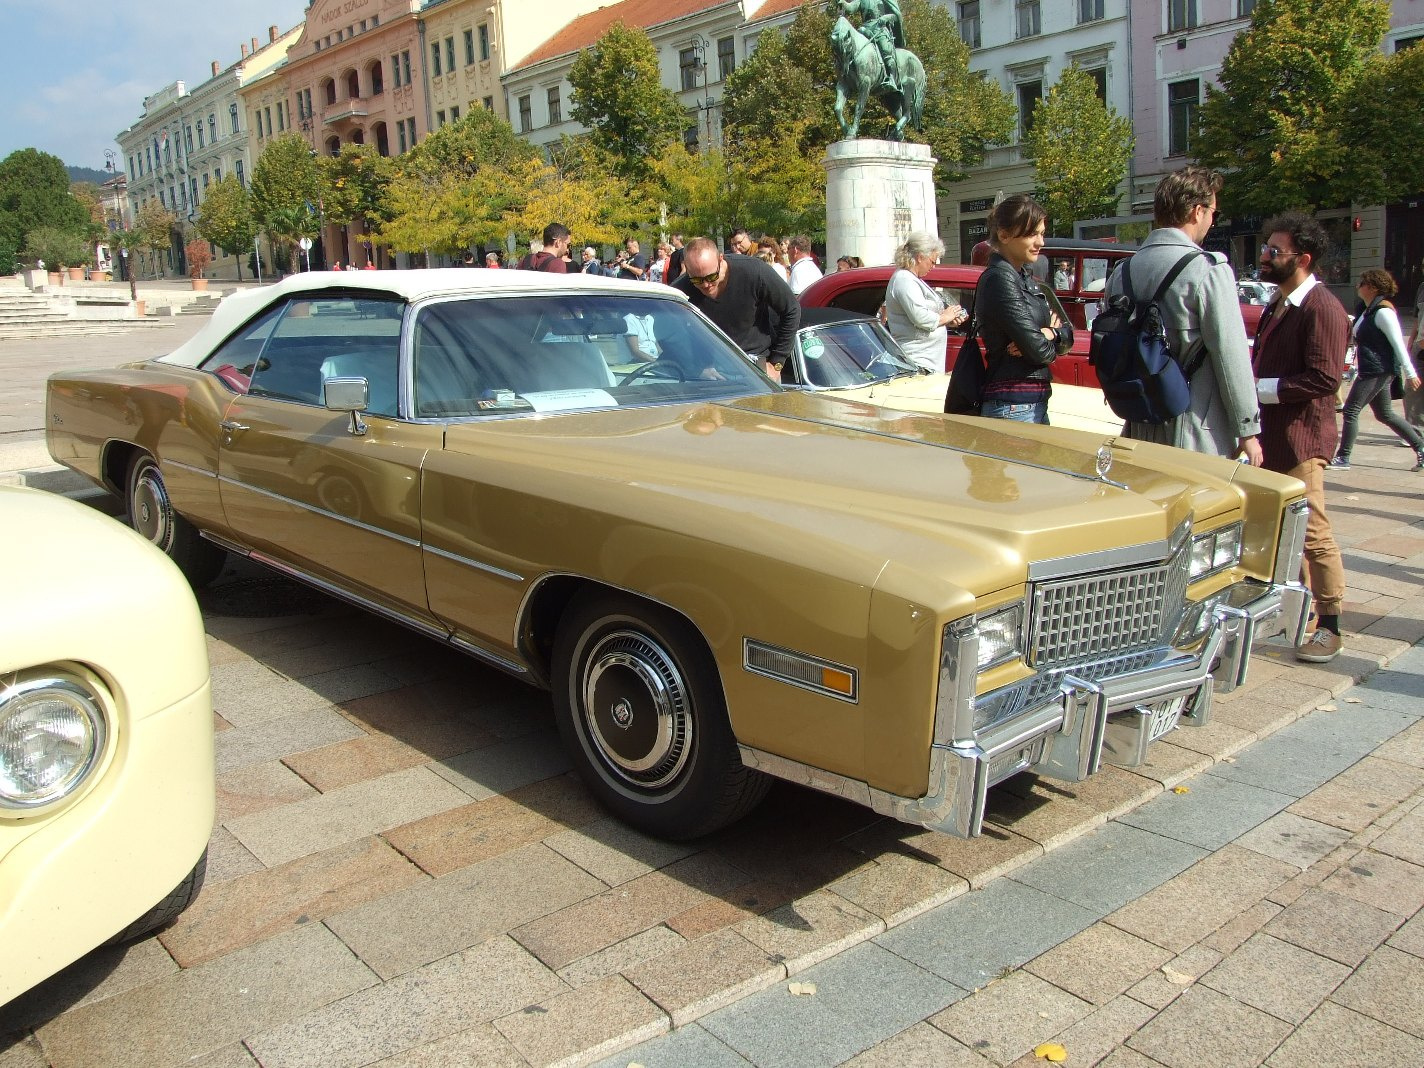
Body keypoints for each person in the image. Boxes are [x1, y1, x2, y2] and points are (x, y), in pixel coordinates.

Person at [1104, 166, 1262, 464]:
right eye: (1213, 211)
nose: (1213, 220)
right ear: (1196, 211)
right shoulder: (1208, 269)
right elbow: (1230, 353)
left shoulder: (1122, 272)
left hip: (1137, 423)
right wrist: (1248, 431)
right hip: (1194, 429)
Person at [1252, 212, 1349, 663]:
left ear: (1303, 258)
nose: (1265, 257)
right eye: (1266, 248)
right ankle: (1301, 611)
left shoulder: (1322, 307)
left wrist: (1264, 390)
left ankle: (1330, 622)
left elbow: (1325, 378)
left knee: (1313, 531)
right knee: (1284, 529)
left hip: (1302, 438)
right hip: (1274, 433)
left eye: (1276, 251)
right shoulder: (1279, 301)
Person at [976, 194, 1072, 423]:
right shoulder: (1000, 278)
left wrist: (1050, 333)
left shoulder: (1025, 278)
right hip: (1013, 405)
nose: (1041, 242)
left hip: (1030, 402)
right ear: (1004, 234)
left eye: (1042, 234)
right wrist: (1047, 337)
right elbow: (1042, 352)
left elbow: (1068, 332)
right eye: (1032, 234)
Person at [1331, 268, 1424, 470]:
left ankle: (1343, 457)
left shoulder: (1383, 312)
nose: (1358, 286)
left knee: (1351, 410)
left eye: (1362, 283)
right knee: (1385, 414)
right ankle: (1421, 448)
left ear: (1372, 288)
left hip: (1377, 370)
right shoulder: (1367, 309)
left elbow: (1398, 344)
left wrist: (1411, 374)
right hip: (1371, 368)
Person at [673, 237, 800, 380]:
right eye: (697, 280)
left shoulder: (753, 272)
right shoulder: (680, 290)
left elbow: (791, 309)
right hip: (710, 373)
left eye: (712, 276)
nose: (706, 285)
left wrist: (777, 363)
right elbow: (665, 329)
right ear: (687, 270)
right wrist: (693, 366)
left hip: (756, 367)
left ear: (721, 259)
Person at [882, 232, 966, 372]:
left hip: (927, 362)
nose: (933, 267)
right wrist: (945, 316)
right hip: (916, 363)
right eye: (932, 261)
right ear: (920, 257)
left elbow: (927, 316)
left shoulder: (913, 279)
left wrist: (948, 320)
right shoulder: (904, 279)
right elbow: (921, 317)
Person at [839, 0, 906, 97]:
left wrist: (886, 17)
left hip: (879, 29)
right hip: (865, 30)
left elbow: (896, 15)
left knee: (886, 51)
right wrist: (843, 3)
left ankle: (891, 78)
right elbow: (850, 8)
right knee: (854, 47)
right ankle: (850, 73)